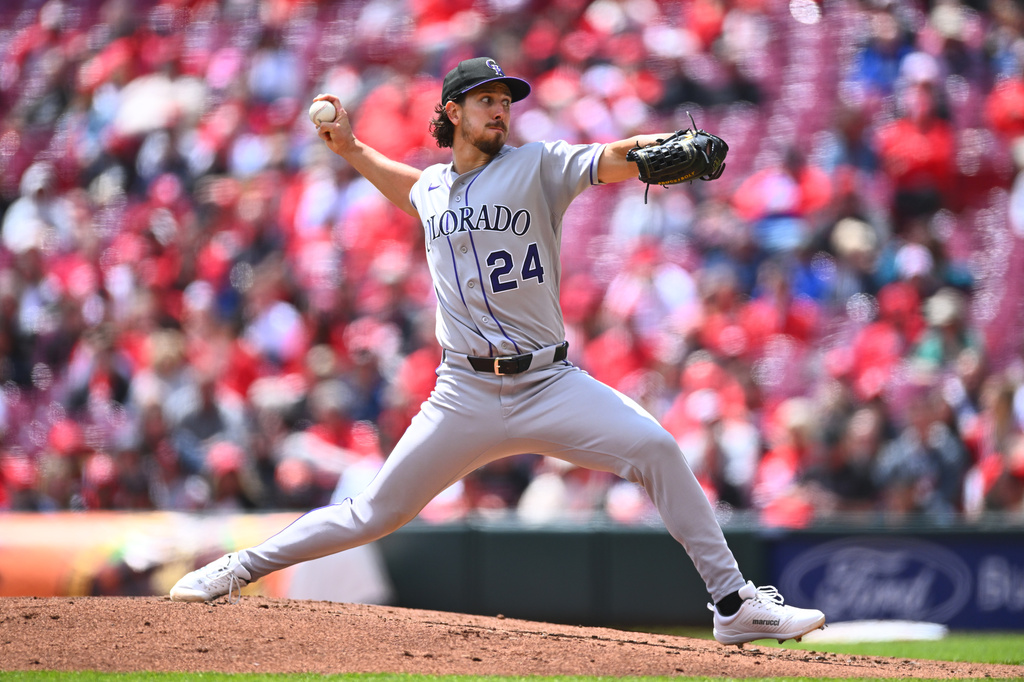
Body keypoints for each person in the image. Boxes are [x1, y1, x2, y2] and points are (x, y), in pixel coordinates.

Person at [170, 57, 825, 646]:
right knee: (375, 512)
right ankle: (239, 568)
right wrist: (349, 148)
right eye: (487, 99)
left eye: (506, 100)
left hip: (549, 382)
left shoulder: (537, 166)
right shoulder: (431, 190)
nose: (501, 108)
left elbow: (614, 155)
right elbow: (404, 186)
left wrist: (662, 148)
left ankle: (734, 603)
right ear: (453, 112)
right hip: (463, 393)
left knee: (656, 448)